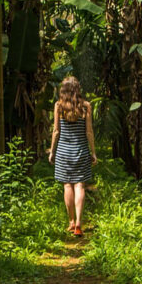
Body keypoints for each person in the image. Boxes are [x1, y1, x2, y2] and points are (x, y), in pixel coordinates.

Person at [47, 76, 97, 236]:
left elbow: (56, 131)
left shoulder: (59, 106)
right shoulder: (86, 106)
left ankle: (71, 221)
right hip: (81, 151)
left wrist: (52, 150)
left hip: (63, 152)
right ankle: (79, 223)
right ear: (78, 89)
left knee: (67, 185)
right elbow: (89, 132)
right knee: (79, 185)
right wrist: (93, 152)